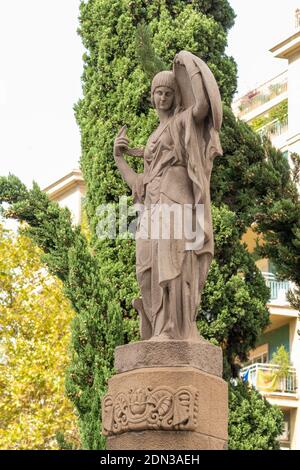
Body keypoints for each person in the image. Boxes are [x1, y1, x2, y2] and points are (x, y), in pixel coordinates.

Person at [114, 50, 223, 341]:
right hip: (152, 205)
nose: (162, 98)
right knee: (145, 266)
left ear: (175, 96)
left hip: (177, 199)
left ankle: (173, 328)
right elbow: (139, 183)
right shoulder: (152, 136)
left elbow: (201, 106)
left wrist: (189, 64)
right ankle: (155, 325)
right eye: (158, 93)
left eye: (168, 92)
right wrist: (120, 159)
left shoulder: (182, 120)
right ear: (152, 97)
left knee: (173, 262)